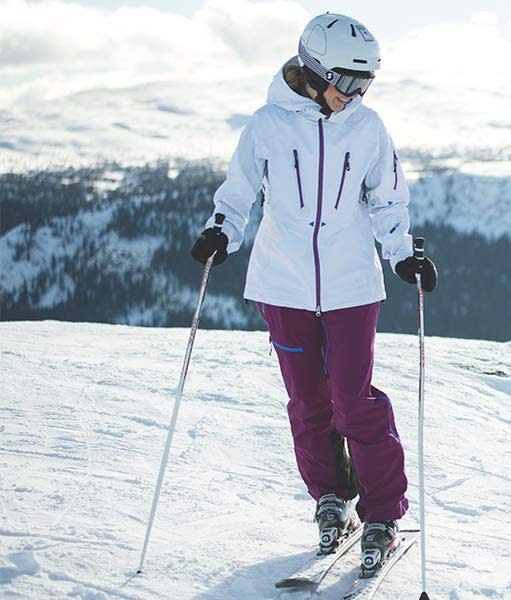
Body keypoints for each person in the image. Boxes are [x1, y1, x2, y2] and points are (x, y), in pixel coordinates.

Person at [189, 12, 437, 575]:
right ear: (314, 67)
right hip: (283, 284)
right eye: (347, 82)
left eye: (365, 83)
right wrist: (220, 232)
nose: (355, 94)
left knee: (355, 400)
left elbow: (388, 200)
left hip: (351, 285)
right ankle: (330, 496)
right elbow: (239, 192)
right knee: (308, 403)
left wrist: (402, 254)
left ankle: (382, 512)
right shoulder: (267, 124)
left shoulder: (368, 127)